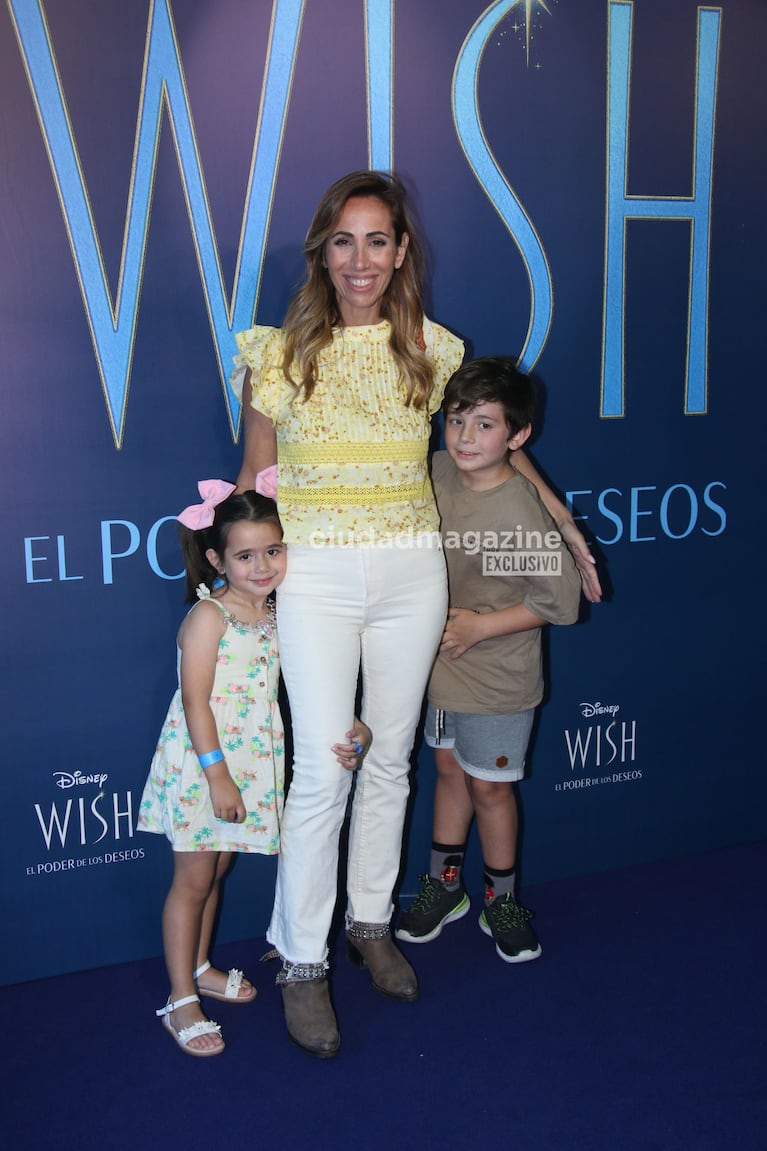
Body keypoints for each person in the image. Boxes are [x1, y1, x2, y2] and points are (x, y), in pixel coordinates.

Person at [231, 170, 601, 1058]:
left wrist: (563, 525)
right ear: (323, 249)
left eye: (378, 240)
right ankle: (301, 961)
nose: (360, 259)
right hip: (314, 573)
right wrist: (241, 589)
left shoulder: (433, 349)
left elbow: (499, 451)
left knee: (391, 761)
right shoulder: (276, 354)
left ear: (402, 251)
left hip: (410, 574)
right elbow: (251, 476)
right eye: (344, 240)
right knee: (324, 772)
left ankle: (369, 922)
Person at [138, 480, 368, 1057]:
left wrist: (355, 722)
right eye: (245, 555)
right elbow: (195, 702)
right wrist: (217, 775)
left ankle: (200, 967)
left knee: (215, 874)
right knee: (192, 881)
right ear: (217, 559)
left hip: (250, 765)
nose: (263, 566)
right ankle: (179, 999)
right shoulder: (209, 615)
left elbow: (321, 680)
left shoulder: (280, 614)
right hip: (204, 766)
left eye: (274, 550)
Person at [395, 357, 582, 963]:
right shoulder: (435, 472)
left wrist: (480, 627)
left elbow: (558, 601)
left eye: (484, 426)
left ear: (517, 436)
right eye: (456, 422)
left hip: (499, 678)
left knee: (491, 791)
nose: (465, 438)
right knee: (448, 773)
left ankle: (500, 900)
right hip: (438, 670)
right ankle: (444, 888)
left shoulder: (519, 511)